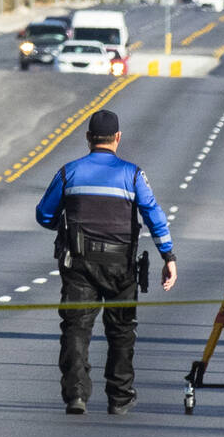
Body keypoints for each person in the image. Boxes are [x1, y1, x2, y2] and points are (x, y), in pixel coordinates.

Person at [36, 109, 177, 416]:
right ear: (117, 138)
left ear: (88, 138)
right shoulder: (133, 174)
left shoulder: (68, 172)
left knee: (76, 328)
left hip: (79, 265)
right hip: (121, 265)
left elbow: (44, 215)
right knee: (122, 332)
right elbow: (154, 215)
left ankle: (76, 394)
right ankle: (119, 396)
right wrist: (168, 256)